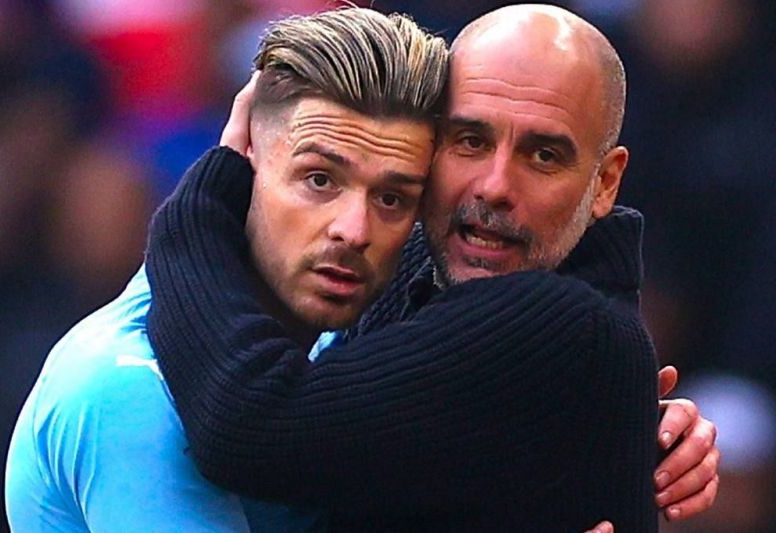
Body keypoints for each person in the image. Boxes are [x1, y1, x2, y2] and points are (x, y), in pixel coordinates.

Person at [144, 4, 718, 531]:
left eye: (543, 156)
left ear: (605, 183)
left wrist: (207, 196)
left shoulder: (562, 323)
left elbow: (252, 428)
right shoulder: (423, 258)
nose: (494, 187)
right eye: (470, 140)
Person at [4, 8, 448, 531]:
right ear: (244, 157)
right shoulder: (129, 392)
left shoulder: (346, 348)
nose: (354, 230)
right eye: (319, 180)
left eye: (392, 198)